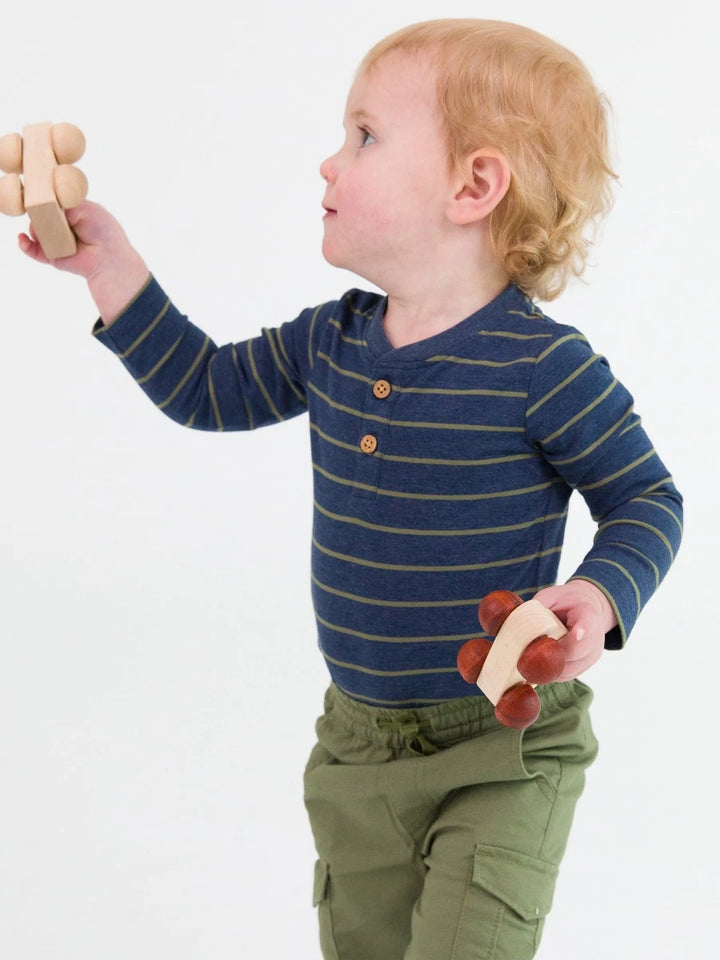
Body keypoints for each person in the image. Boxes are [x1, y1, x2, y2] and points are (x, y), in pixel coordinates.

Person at [17, 18, 682, 960]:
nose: (329, 164)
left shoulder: (543, 367)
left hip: (500, 750)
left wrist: (603, 593)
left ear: (472, 186)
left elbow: (650, 498)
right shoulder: (332, 339)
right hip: (357, 747)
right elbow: (208, 389)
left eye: (364, 136)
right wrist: (113, 272)